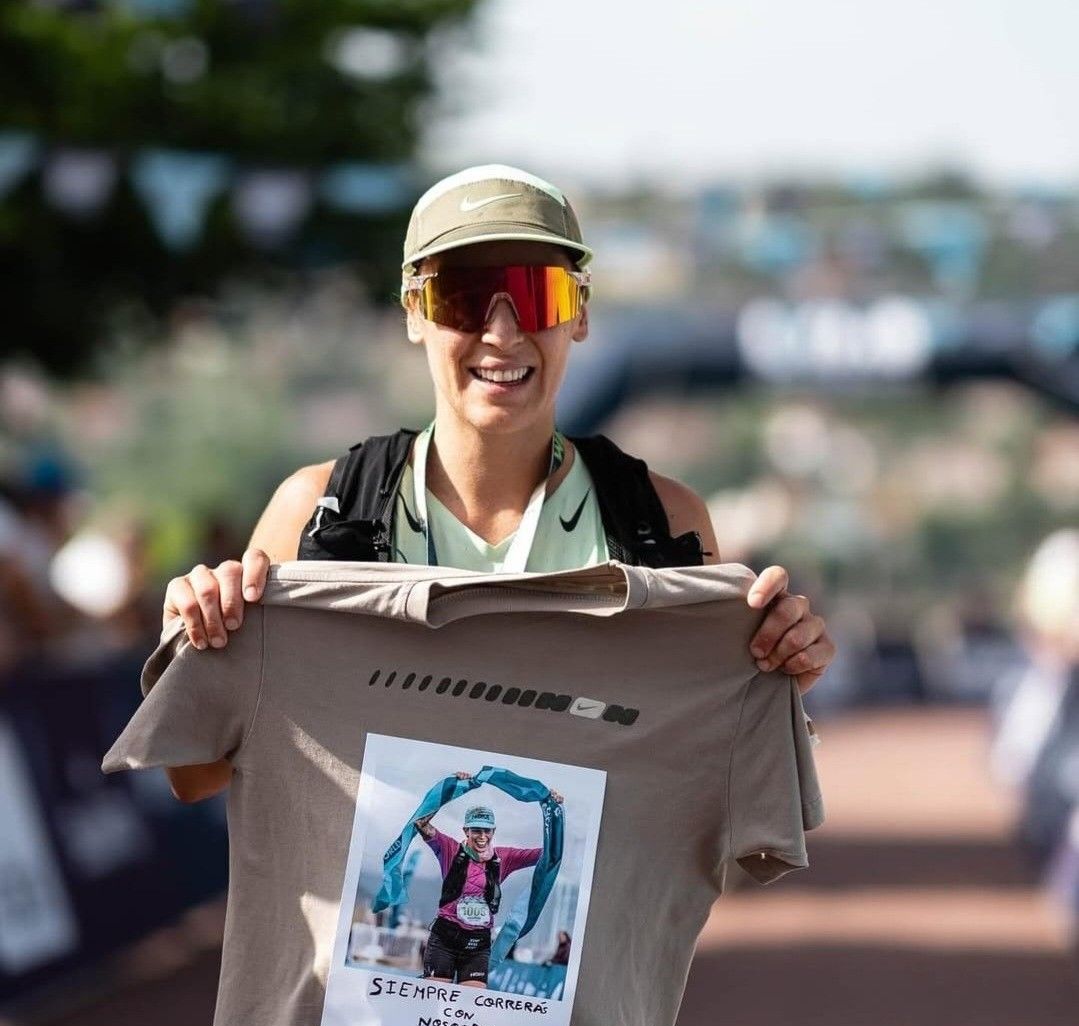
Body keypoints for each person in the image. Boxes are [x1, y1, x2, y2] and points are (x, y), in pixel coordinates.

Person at [159, 163, 836, 804]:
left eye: (539, 296)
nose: (502, 332)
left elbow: (713, 783)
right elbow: (195, 775)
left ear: (581, 314)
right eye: (464, 298)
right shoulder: (319, 510)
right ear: (413, 312)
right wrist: (192, 638)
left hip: (580, 924)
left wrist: (775, 683)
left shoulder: (660, 519)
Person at [412, 771, 565, 987]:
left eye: (487, 830)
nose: (482, 836)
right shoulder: (449, 848)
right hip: (445, 938)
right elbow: (420, 823)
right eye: (476, 830)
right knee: (434, 999)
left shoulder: (504, 857)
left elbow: (550, 854)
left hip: (478, 944)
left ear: (493, 831)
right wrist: (455, 786)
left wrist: (553, 811)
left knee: (470, 1004)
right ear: (466, 830)